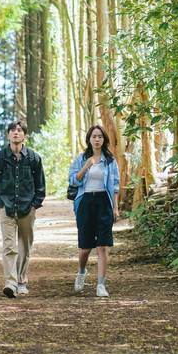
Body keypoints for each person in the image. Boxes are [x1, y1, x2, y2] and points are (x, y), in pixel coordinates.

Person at [0, 120, 46, 298]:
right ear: (8, 135)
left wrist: (34, 205)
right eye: (12, 130)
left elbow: (40, 185)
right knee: (9, 246)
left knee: (24, 247)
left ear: (24, 135)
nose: (16, 132)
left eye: (20, 130)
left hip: (27, 208)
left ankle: (21, 281)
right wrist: (0, 203)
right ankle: (10, 283)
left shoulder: (34, 158)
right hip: (6, 208)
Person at [68, 125, 120, 297]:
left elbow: (115, 186)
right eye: (94, 136)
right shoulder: (81, 158)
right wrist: (86, 166)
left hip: (104, 202)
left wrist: (115, 207)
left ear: (104, 139)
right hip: (85, 202)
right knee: (85, 247)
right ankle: (81, 272)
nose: (97, 139)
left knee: (102, 246)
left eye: (100, 136)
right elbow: (73, 181)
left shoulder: (110, 161)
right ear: (89, 139)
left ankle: (101, 285)